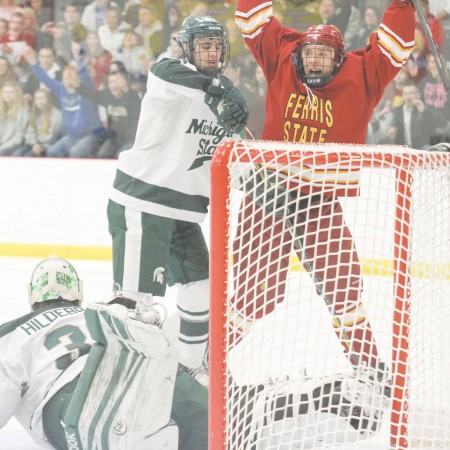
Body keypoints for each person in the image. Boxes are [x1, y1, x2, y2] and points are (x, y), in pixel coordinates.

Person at [230, 0, 416, 431]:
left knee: (342, 285)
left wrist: (403, 4)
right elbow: (252, 17)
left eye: (323, 55)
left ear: (339, 58)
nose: (314, 60)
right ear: (298, 54)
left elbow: (395, 45)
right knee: (254, 295)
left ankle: (369, 368)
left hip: (319, 199)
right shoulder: (282, 59)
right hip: (268, 193)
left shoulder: (363, 74)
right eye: (309, 53)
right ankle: (206, 360)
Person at [107, 14, 249, 387]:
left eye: (216, 45)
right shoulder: (170, 74)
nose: (211, 51)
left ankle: (188, 368)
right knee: (134, 304)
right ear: (187, 47)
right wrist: (218, 91)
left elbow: (231, 158)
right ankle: (116, 382)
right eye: (203, 44)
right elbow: (165, 72)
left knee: (202, 284)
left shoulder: (224, 95)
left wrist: (262, 181)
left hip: (184, 212)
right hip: (144, 200)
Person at [0, 256, 208, 449]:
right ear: (78, 291)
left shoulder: (10, 334)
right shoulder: (97, 313)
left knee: (105, 432)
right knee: (205, 421)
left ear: (32, 294)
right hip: (127, 372)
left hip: (69, 402)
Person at [13, 87, 62, 157]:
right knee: (17, 153)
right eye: (37, 98)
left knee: (29, 156)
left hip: (47, 146)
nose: (39, 101)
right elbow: (29, 132)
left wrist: (39, 146)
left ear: (48, 100)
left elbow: (51, 137)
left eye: (42, 98)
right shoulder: (34, 113)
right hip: (34, 144)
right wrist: (34, 144)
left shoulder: (56, 114)